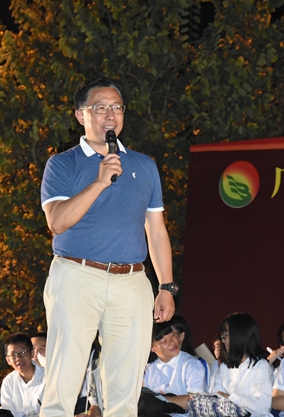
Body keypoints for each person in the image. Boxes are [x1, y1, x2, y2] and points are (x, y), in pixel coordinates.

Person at [39, 77, 176, 417]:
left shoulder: (144, 165)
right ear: (81, 115)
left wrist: (166, 286)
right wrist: (100, 182)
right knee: (63, 381)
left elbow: (156, 230)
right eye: (100, 107)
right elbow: (57, 221)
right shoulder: (63, 163)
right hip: (76, 276)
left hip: (132, 281)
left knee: (125, 390)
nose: (110, 115)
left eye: (117, 107)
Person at [211, 313, 274, 417]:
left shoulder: (261, 366)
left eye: (225, 336)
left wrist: (231, 397)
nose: (223, 340)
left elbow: (263, 407)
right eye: (222, 336)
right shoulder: (224, 367)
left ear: (239, 336)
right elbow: (216, 396)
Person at [143, 320, 207, 415]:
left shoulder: (191, 364)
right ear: (152, 348)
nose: (172, 342)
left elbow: (195, 401)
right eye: (164, 341)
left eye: (172, 336)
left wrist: (160, 402)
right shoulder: (148, 368)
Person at [0, 333, 46, 417]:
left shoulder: (47, 377)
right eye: (13, 354)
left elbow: (51, 411)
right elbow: (8, 412)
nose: (18, 358)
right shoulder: (8, 382)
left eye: (23, 352)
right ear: (8, 360)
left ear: (32, 354)